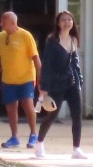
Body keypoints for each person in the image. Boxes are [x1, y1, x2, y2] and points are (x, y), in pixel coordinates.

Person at [36, 9, 87, 159]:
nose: (67, 22)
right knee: (52, 114)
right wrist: (44, 86)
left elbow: (75, 63)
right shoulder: (52, 41)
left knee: (77, 115)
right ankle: (39, 143)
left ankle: (76, 148)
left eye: (69, 19)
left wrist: (80, 80)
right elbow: (47, 65)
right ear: (58, 23)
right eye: (64, 20)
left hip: (72, 82)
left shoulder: (73, 40)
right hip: (56, 83)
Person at [0, 10, 42, 150]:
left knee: (28, 106)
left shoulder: (26, 36)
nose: (0, 24)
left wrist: (41, 78)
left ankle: (33, 134)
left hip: (26, 78)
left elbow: (36, 59)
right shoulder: (0, 37)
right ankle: (14, 137)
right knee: (11, 108)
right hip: (8, 79)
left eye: (3, 21)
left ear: (13, 22)